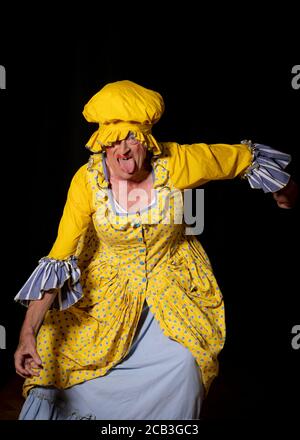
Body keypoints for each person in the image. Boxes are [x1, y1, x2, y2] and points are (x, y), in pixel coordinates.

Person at [14, 80, 298, 420]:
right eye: (112, 141)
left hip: (172, 285)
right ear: (100, 145)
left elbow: (237, 158)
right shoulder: (87, 182)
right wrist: (27, 332)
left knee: (183, 367)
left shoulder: (176, 162)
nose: (123, 149)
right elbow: (59, 258)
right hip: (106, 292)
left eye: (131, 137)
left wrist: (286, 188)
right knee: (58, 363)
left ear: (147, 141)